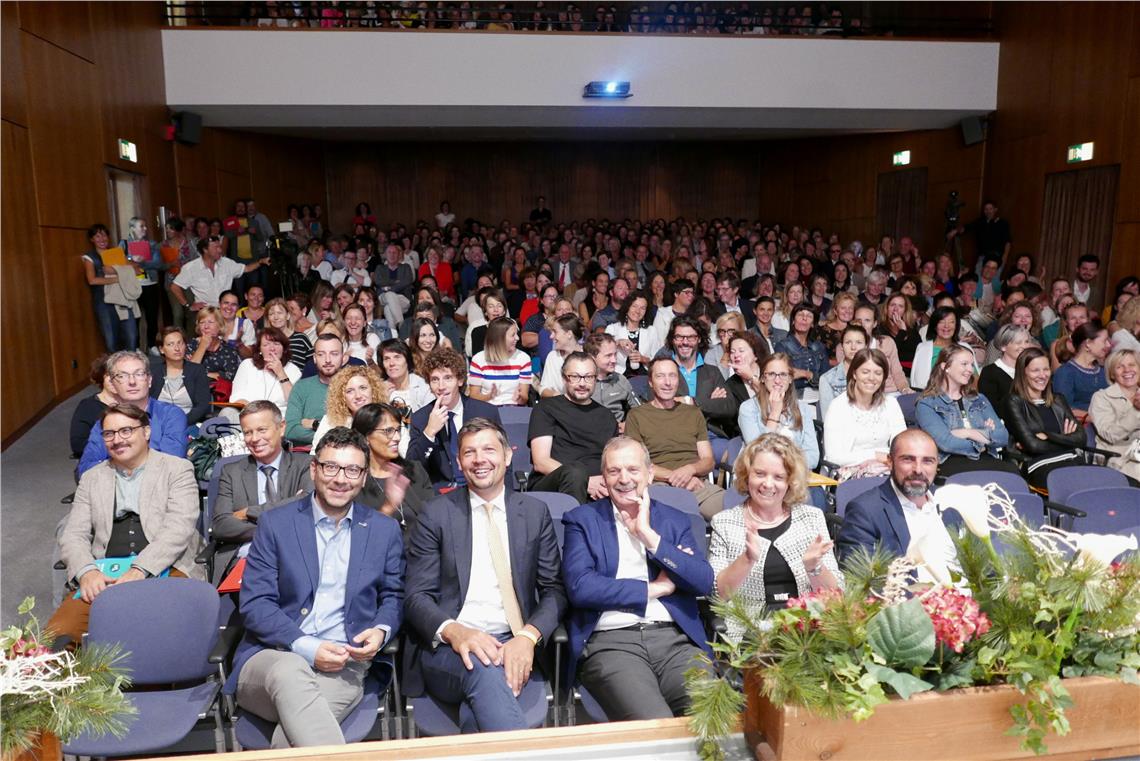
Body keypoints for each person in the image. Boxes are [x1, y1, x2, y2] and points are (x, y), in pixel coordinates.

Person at [228, 427, 405, 749]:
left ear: (364, 477)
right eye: (331, 467)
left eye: (352, 470)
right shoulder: (276, 524)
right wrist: (307, 647)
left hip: (345, 663)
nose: (341, 479)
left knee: (291, 741)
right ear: (314, 469)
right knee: (291, 669)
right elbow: (256, 604)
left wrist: (380, 630)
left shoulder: (384, 530)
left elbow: (392, 596)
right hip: (272, 658)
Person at [402, 417, 567, 731]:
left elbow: (554, 590)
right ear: (459, 462)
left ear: (508, 456)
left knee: (476, 716)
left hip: (514, 641)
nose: (480, 459)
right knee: (484, 667)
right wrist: (456, 632)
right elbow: (416, 597)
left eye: (489, 450)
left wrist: (527, 637)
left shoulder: (534, 513)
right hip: (449, 649)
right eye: (469, 452)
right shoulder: (436, 513)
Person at [561, 437, 715, 721]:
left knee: (711, 714)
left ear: (650, 474)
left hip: (675, 642)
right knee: (655, 723)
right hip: (612, 644)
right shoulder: (582, 520)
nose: (624, 479)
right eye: (614, 471)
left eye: (633, 469)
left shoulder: (674, 521)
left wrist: (650, 538)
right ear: (604, 477)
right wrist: (655, 588)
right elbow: (581, 587)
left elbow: (703, 581)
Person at [49, 405, 203, 646]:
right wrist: (87, 572)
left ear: (146, 432)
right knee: (57, 637)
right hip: (103, 573)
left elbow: (178, 528)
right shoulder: (92, 478)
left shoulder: (177, 469)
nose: (117, 440)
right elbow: (74, 534)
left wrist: (140, 569)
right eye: (109, 434)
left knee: (161, 635)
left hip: (166, 566)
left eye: (126, 431)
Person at [710, 434, 842, 640]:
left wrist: (814, 567)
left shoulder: (812, 518)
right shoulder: (724, 522)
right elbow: (718, 595)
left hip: (808, 632)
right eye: (760, 474)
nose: (768, 484)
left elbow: (836, 595)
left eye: (779, 477)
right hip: (750, 634)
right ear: (746, 475)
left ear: (790, 481)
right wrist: (747, 559)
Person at [210, 401, 315, 579]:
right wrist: (277, 526)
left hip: (294, 557)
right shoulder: (231, 472)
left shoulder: (305, 464)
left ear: (281, 428)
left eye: (262, 430)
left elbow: (307, 504)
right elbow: (221, 526)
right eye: (248, 432)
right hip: (245, 561)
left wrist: (249, 512)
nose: (254, 438)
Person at [835, 429, 959, 569]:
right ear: (890, 462)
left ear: (937, 465)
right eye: (908, 459)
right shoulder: (865, 511)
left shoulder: (952, 502)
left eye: (927, 461)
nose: (918, 470)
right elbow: (861, 577)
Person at [625, 358, 726, 520]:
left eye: (672, 376)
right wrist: (680, 478)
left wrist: (690, 470)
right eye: (660, 376)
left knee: (734, 516)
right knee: (675, 521)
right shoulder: (637, 416)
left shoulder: (693, 413)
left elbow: (708, 460)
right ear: (650, 382)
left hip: (696, 484)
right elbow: (637, 465)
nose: (667, 382)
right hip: (658, 486)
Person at [78, 351, 188, 476]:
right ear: (112, 384)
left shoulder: (171, 415)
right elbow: (85, 470)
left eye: (139, 374)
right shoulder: (105, 422)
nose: (132, 381)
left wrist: (116, 465)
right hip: (115, 487)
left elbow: (170, 465)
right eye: (122, 376)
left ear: (149, 380)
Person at [528, 351, 618, 503]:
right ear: (564, 378)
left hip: (599, 488)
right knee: (576, 472)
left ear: (595, 379)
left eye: (588, 377)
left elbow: (613, 462)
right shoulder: (546, 408)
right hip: (554, 485)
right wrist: (586, 481)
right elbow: (541, 462)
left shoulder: (607, 416)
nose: (582, 383)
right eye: (575, 377)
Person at [915, 345, 1017, 476]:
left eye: (971, 364)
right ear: (945, 367)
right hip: (951, 461)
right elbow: (946, 443)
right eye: (964, 364)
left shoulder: (979, 399)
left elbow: (1002, 436)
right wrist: (984, 438)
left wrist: (966, 433)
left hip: (986, 458)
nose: (970, 369)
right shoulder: (927, 403)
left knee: (1013, 474)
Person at [407, 348, 502, 487]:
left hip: (481, 486)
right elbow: (412, 468)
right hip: (441, 493)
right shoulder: (421, 418)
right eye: (435, 380)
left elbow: (503, 460)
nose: (441, 386)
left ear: (460, 380)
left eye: (448, 378)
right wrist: (429, 432)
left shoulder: (485, 412)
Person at [1005, 347, 1088, 489]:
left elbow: (1081, 438)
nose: (1042, 375)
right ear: (1023, 373)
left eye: (1046, 369)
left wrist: (1048, 436)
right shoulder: (1014, 401)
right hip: (1041, 465)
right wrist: (1066, 439)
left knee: (1115, 482)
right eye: (1035, 370)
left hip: (1072, 460)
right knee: (1079, 486)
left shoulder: (1058, 400)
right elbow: (1033, 446)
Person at [822, 349, 906, 479]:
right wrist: (876, 455)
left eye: (878, 373)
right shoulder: (838, 406)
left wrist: (885, 458)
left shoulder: (891, 403)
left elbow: (902, 446)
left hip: (885, 470)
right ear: (854, 374)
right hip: (846, 474)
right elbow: (834, 457)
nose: (871, 378)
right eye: (865, 372)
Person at [351, 402, 434, 532]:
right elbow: (359, 534)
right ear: (366, 437)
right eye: (388, 431)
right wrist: (388, 508)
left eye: (398, 430)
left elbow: (434, 518)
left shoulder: (414, 471)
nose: (397, 437)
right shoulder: (354, 483)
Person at [738, 353, 819, 467]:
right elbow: (758, 455)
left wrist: (785, 467)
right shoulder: (748, 408)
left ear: (790, 379)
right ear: (763, 378)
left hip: (794, 474)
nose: (777, 380)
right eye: (771, 374)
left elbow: (813, 457)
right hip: (760, 473)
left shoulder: (803, 409)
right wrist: (774, 414)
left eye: (783, 374)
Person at [171, 235, 269, 311]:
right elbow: (175, 287)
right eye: (215, 247)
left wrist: (260, 262)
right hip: (206, 312)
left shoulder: (226, 263)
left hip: (226, 310)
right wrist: (188, 305)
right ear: (205, 250)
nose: (220, 250)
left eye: (220, 247)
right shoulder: (191, 268)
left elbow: (246, 268)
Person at [284, 333, 348, 446]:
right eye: (321, 354)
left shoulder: (353, 387)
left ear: (343, 358)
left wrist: (314, 424)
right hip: (307, 453)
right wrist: (334, 437)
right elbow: (291, 430)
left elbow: (357, 429)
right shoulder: (301, 387)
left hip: (347, 452)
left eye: (334, 354)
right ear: (314, 358)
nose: (327, 360)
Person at [82, 222, 137, 351]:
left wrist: (116, 271)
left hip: (123, 299)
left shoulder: (116, 253)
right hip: (103, 302)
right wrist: (118, 278)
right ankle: (116, 364)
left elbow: (136, 269)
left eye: (104, 235)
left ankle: (132, 362)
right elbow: (92, 280)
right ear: (92, 239)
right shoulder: (90, 257)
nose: (102, 239)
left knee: (131, 336)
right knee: (111, 340)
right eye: (97, 236)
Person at [1088, 349, 1140, 481]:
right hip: (1119, 460)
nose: (1127, 370)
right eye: (1119, 367)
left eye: (1132, 365)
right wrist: (1136, 410)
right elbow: (1110, 434)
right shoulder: (1101, 398)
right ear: (1112, 374)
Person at [312, 366, 389, 451]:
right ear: (342, 397)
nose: (358, 396)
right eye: (350, 391)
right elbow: (316, 454)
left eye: (363, 388)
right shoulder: (329, 421)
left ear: (373, 390)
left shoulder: (387, 418)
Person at [229, 327, 302, 417]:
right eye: (266, 345)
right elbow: (236, 397)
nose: (272, 348)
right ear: (260, 349)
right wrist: (257, 413)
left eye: (276, 344)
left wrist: (281, 373)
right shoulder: (247, 365)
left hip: (279, 418)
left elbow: (295, 403)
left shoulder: (293, 369)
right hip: (249, 415)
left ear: (283, 349)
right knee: (228, 412)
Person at [149, 326, 212, 426]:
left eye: (180, 343)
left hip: (188, 424)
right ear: (161, 349)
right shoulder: (154, 372)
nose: (177, 348)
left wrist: (180, 423)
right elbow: (147, 404)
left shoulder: (197, 370)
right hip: (158, 424)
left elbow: (202, 405)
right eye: (171, 344)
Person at [1052, 321, 1110, 422]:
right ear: (1088, 344)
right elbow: (1064, 409)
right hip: (1081, 426)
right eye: (1104, 341)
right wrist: (1096, 419)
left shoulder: (1103, 370)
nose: (1108, 345)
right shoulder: (1065, 373)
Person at [468, 317, 532, 407]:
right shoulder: (478, 359)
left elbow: (524, 398)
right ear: (499, 338)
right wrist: (489, 396)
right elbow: (474, 396)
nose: (517, 338)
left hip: (513, 409)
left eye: (517, 334)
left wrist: (520, 398)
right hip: (487, 408)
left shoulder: (523, 358)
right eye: (513, 335)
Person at [978, 325, 1034, 421]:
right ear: (1003, 346)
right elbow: (990, 408)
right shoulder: (990, 373)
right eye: (1018, 342)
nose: (1024, 346)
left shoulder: (1031, 369)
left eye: (1026, 342)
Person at [775, 304, 828, 403]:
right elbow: (783, 376)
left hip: (819, 398)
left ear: (812, 324)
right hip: (794, 398)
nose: (804, 318)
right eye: (800, 315)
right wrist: (807, 374)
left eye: (809, 316)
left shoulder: (819, 347)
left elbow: (826, 379)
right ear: (793, 321)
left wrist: (806, 374)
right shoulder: (782, 346)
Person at [910, 305, 972, 390]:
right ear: (935, 325)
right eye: (942, 322)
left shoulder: (964, 348)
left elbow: (974, 379)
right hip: (930, 394)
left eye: (951, 322)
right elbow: (917, 382)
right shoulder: (923, 348)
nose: (946, 326)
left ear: (956, 326)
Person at [585, 333, 642, 426]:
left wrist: (627, 425)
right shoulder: (581, 381)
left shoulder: (620, 380)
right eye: (608, 356)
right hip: (588, 431)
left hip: (616, 431)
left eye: (615, 354)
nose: (614, 360)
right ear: (592, 357)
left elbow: (640, 410)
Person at [605, 290, 661, 377]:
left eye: (642, 308)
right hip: (618, 376)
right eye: (634, 306)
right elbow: (603, 352)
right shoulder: (612, 329)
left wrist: (643, 359)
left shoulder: (651, 331)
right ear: (627, 308)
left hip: (644, 376)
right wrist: (618, 342)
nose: (638, 311)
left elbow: (658, 360)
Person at [70, 356, 117, 459]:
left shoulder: (134, 402)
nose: (115, 380)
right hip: (101, 459)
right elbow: (78, 445)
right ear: (101, 377)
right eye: (109, 375)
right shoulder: (87, 406)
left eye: (120, 376)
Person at [819, 324, 868, 420]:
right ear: (842, 346)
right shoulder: (828, 379)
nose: (853, 347)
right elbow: (828, 419)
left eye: (859, 342)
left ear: (866, 346)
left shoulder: (873, 375)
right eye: (848, 342)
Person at [187, 306, 242, 383]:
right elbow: (188, 373)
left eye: (210, 322)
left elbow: (231, 376)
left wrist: (202, 374)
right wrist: (202, 346)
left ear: (220, 326)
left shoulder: (229, 350)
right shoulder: (191, 346)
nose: (206, 326)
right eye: (202, 322)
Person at [539, 313, 585, 397]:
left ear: (569, 334)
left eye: (555, 332)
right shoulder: (553, 356)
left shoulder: (587, 357)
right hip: (558, 403)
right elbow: (543, 389)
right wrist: (561, 398)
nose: (551, 336)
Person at [265, 297, 313, 370]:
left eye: (279, 313)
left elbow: (313, 364)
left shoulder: (301, 338)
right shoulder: (265, 341)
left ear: (287, 315)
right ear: (268, 318)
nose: (276, 317)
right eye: (271, 314)